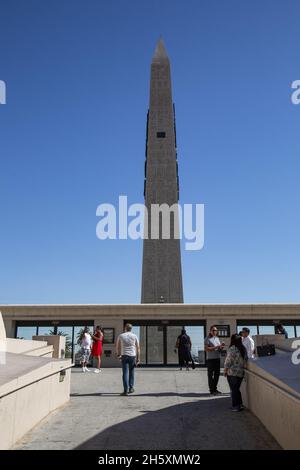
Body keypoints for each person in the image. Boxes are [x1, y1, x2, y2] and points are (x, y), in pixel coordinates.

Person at [224, 334, 247, 412]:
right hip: (240, 372)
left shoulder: (232, 348)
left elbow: (228, 361)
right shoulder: (243, 348)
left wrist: (225, 370)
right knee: (236, 389)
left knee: (234, 390)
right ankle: (240, 405)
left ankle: (236, 406)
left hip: (232, 373)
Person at [116, 323, 140, 396]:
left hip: (124, 356)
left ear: (125, 328)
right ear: (131, 328)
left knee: (125, 373)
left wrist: (118, 355)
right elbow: (138, 348)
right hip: (132, 356)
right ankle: (131, 387)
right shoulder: (134, 336)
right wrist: (138, 359)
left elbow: (117, 346)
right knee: (131, 372)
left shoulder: (121, 336)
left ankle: (125, 390)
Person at [204, 325, 225, 395]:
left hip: (217, 358)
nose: (214, 332)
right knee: (210, 375)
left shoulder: (217, 338)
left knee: (217, 375)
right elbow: (206, 349)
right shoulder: (207, 338)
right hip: (210, 359)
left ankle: (215, 389)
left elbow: (218, 349)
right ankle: (211, 390)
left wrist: (221, 347)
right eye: (213, 330)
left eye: (215, 330)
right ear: (210, 331)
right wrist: (217, 346)